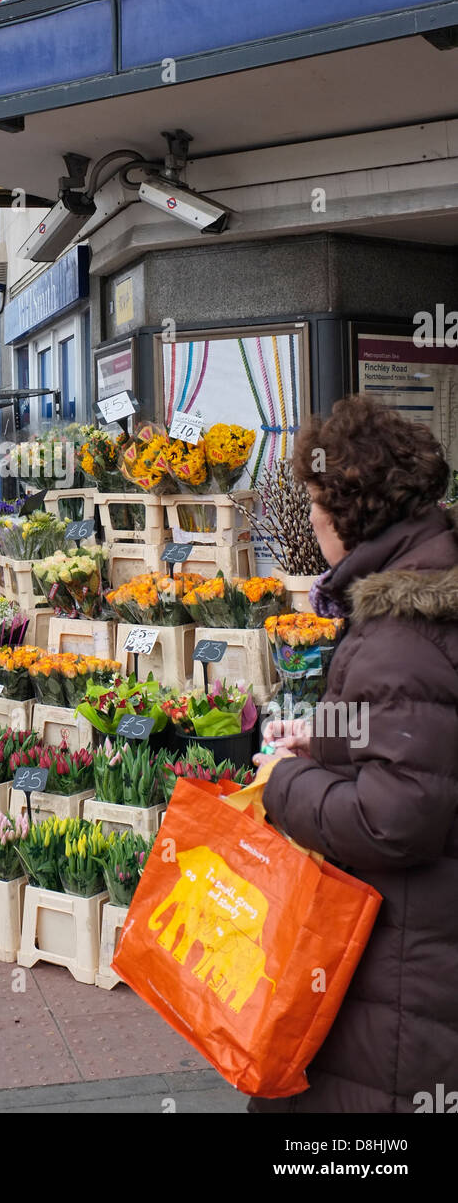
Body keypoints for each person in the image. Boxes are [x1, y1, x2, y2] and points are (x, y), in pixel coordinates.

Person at [250, 395, 458, 1114]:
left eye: (315, 502)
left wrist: (285, 781)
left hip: (402, 973)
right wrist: (325, 737)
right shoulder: (425, 590)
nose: (310, 518)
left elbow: (396, 819)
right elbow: (418, 737)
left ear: (352, 509)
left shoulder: (402, 627)